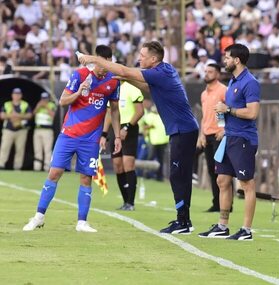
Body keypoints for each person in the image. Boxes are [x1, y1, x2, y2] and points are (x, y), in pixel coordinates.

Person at [78, 40, 199, 234]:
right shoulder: (163, 71)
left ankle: (183, 221)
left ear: (153, 59)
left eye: (142, 56)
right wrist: (126, 79)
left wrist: (94, 59)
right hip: (182, 129)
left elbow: (125, 71)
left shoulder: (160, 72)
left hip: (183, 130)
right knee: (178, 175)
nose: (139, 59)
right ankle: (183, 219)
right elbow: (149, 89)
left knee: (179, 176)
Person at [23, 45, 121, 233]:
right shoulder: (80, 75)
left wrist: (116, 136)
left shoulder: (113, 81)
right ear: (95, 60)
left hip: (91, 139)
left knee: (86, 178)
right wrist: (79, 92)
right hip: (69, 134)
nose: (103, 67)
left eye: (107, 63)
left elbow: (115, 110)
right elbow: (62, 101)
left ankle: (82, 222)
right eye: (100, 63)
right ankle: (39, 217)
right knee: (54, 173)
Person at [198, 43, 260, 241]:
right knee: (222, 180)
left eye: (227, 57)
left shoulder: (250, 82)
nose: (224, 60)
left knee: (246, 184)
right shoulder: (233, 81)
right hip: (229, 137)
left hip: (243, 138)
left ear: (237, 60)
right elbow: (226, 110)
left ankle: (246, 230)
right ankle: (222, 226)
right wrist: (222, 116)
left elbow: (252, 112)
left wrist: (228, 111)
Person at [101, 81, 144, 211]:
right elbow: (109, 113)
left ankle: (131, 202)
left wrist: (127, 127)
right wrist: (104, 133)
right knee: (117, 165)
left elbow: (140, 112)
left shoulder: (133, 89)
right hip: (115, 129)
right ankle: (125, 201)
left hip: (129, 128)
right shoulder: (112, 89)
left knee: (128, 164)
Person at [199, 63, 226, 212]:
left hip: (219, 135)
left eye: (210, 72)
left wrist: (224, 130)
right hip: (208, 134)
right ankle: (217, 203)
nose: (207, 74)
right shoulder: (204, 94)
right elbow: (205, 116)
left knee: (221, 171)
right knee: (211, 170)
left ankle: (226, 203)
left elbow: (227, 111)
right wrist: (202, 134)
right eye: (206, 71)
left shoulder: (223, 91)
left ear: (218, 74)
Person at [0, 88, 32, 170]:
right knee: (4, 148)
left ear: (21, 95)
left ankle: (17, 166)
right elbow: (2, 115)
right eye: (15, 94)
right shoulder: (7, 104)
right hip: (8, 130)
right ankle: (1, 164)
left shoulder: (25, 104)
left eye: (18, 94)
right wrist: (12, 116)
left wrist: (18, 116)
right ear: (12, 95)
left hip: (21, 130)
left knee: (20, 149)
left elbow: (29, 115)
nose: (16, 96)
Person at [33, 92, 57, 171]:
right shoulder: (38, 105)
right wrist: (38, 107)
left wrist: (46, 106)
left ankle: (47, 167)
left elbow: (53, 115)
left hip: (47, 130)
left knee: (47, 150)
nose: (44, 100)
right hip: (38, 129)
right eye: (43, 99)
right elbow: (33, 114)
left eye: (45, 99)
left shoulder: (51, 105)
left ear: (48, 99)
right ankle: (37, 167)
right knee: (37, 150)